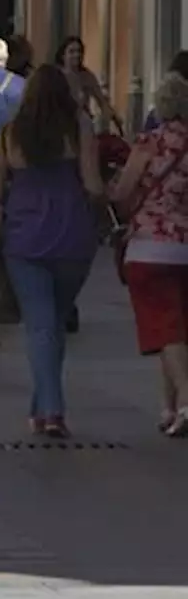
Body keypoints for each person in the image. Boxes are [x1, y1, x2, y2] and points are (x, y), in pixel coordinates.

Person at [0, 64, 104, 438]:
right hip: (74, 237)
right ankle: (44, 407)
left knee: (40, 324)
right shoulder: (79, 126)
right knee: (54, 323)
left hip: (25, 239)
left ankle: (51, 409)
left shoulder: (9, 133)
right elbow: (94, 186)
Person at [108, 74, 188, 436]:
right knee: (177, 330)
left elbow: (123, 193)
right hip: (185, 247)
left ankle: (185, 401)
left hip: (149, 247)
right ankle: (169, 408)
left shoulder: (149, 143)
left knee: (164, 328)